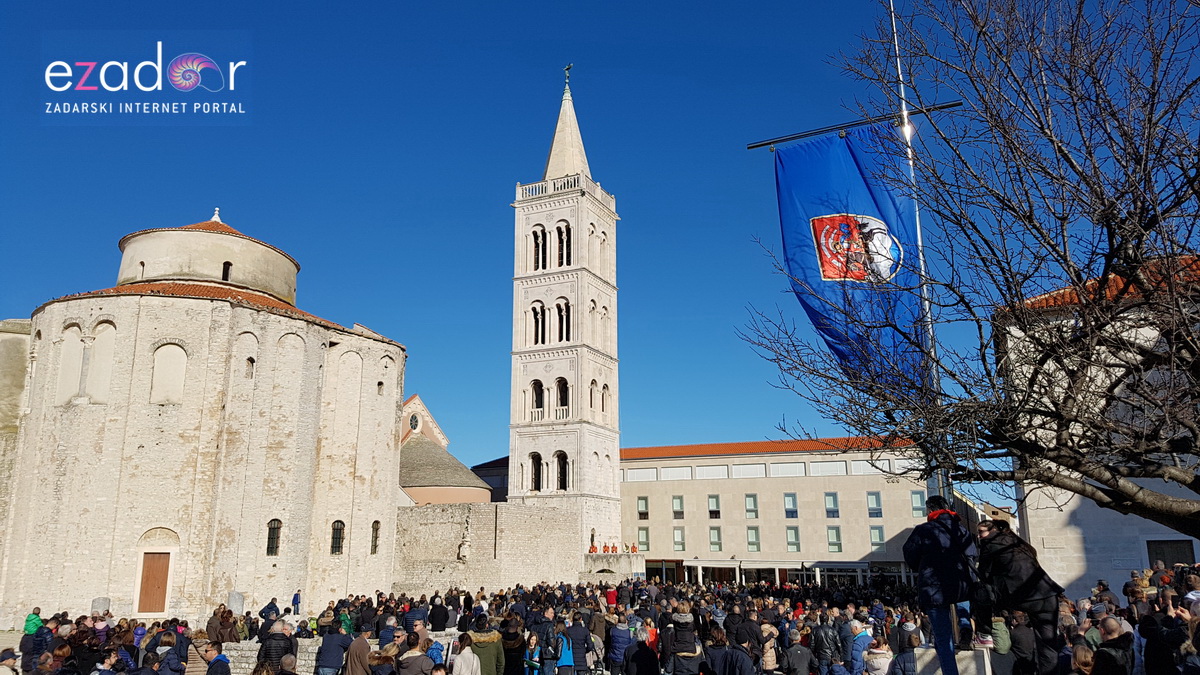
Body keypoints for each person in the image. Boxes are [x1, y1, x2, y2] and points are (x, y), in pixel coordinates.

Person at [902, 494, 977, 675]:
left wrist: (923, 565)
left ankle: (951, 672)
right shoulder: (961, 530)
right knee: (962, 598)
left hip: (933, 585)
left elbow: (909, 553)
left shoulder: (923, 530)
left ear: (930, 510)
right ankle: (965, 626)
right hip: (959, 583)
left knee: (943, 639)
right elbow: (972, 554)